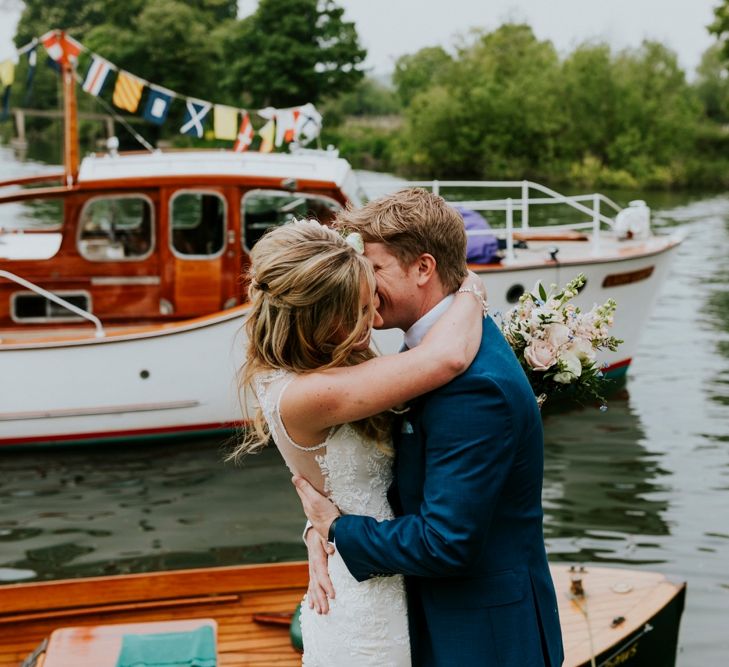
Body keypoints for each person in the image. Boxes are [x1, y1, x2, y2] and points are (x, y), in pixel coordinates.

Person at [294, 188, 564, 666]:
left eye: (374, 268)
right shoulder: (429, 350)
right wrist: (317, 531)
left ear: (423, 268)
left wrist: (337, 529)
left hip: (484, 640)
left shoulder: (473, 388)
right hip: (439, 618)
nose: (363, 283)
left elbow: (446, 541)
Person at [231, 217, 486, 666]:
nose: (374, 318)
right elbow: (446, 357)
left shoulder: (326, 371)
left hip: (383, 565)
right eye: (359, 309)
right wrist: (467, 285)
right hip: (365, 595)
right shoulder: (310, 394)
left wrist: (317, 528)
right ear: (319, 317)